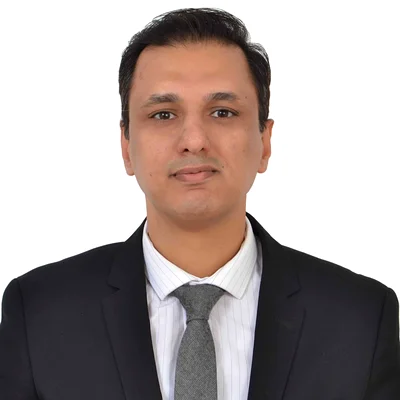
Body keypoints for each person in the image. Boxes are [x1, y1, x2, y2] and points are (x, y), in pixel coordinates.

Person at [0, 7, 399, 400]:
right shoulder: (39, 313)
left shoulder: (362, 318)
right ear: (126, 146)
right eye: (163, 114)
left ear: (265, 142)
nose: (194, 140)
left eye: (223, 112)